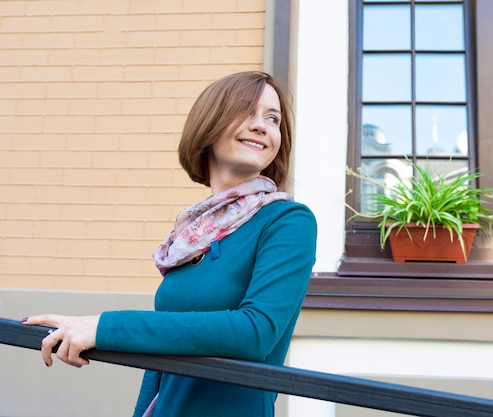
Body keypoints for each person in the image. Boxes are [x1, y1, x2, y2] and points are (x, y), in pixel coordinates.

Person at [21, 71, 317, 417]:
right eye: (247, 111)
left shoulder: (287, 221)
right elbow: (159, 363)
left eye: (272, 119)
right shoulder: (192, 236)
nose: (262, 126)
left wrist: (105, 327)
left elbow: (256, 332)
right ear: (210, 124)